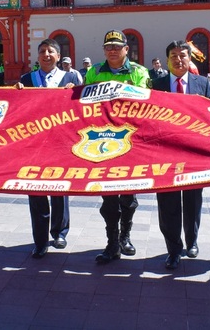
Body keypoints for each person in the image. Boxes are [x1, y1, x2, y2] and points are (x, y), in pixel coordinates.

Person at [84, 29, 150, 263]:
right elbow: (83, 105)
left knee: (128, 198)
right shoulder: (93, 72)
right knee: (108, 199)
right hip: (101, 142)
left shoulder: (139, 72)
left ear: (126, 49)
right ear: (104, 50)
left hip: (130, 142)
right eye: (108, 46)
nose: (112, 50)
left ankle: (126, 237)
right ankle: (112, 243)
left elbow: (142, 104)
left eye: (116, 46)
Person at [151, 40, 210, 269]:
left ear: (190, 58)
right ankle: (173, 249)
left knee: (193, 200)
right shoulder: (156, 84)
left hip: (193, 153)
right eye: (174, 55)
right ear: (167, 59)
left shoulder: (202, 84)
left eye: (183, 55)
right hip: (165, 154)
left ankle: (192, 241)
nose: (179, 59)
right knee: (168, 204)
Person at [15, 39, 78, 258]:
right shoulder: (26, 80)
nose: (46, 54)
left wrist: (76, 92)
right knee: (36, 190)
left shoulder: (71, 78)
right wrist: (17, 94)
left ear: (59, 56)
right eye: (42, 51)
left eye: (51, 51)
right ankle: (40, 240)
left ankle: (60, 232)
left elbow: (84, 107)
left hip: (62, 142)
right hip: (34, 144)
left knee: (60, 188)